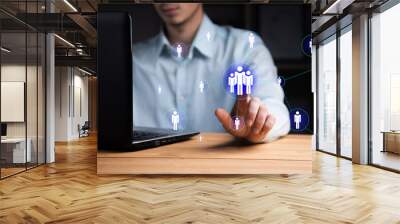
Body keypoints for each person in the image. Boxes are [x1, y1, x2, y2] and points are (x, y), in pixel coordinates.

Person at [133, 3, 290, 143]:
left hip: (225, 171)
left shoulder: (245, 48)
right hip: (148, 172)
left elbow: (275, 109)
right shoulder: (131, 59)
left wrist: (257, 123)